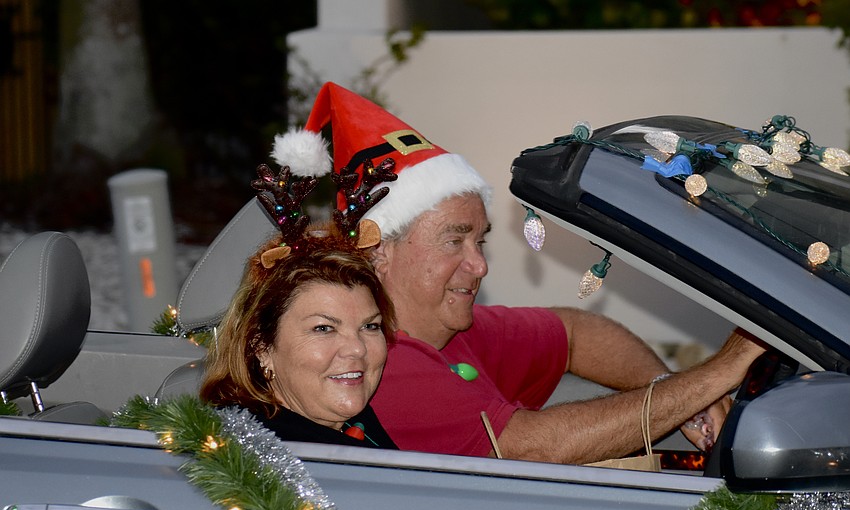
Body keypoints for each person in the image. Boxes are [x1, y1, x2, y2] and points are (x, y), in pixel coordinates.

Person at [269, 82, 766, 465]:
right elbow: (532, 448)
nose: (480, 265)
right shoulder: (381, 364)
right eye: (454, 240)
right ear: (380, 252)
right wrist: (718, 372)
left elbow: (574, 332)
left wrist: (671, 390)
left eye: (479, 241)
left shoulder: (447, 331)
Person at [200, 163, 398, 449]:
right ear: (261, 347)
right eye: (324, 328)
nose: (357, 348)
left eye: (370, 326)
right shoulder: (253, 455)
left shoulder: (352, 423)